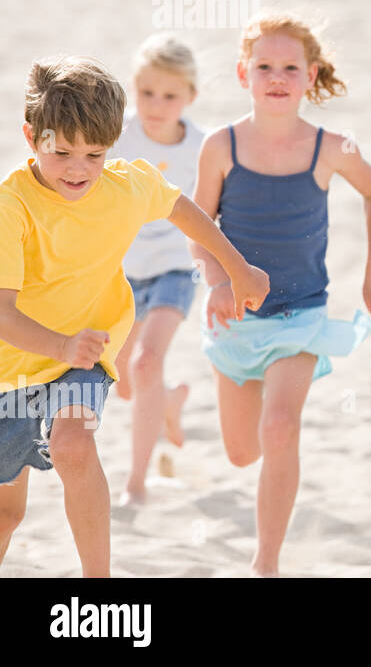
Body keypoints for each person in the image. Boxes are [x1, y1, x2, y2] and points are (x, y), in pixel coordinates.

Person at [0, 56, 268, 576]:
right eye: (62, 153)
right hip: (12, 364)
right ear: (32, 137)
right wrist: (56, 344)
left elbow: (179, 207)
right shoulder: (12, 208)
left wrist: (237, 269)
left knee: (74, 444)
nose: (79, 169)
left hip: (85, 352)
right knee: (7, 513)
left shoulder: (125, 185)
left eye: (94, 154)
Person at [189, 14, 371, 576]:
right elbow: (198, 227)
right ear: (242, 75)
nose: (276, 77)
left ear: (311, 76)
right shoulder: (220, 146)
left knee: (279, 427)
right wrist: (215, 282)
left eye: (289, 68)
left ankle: (266, 562)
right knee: (241, 450)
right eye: (263, 67)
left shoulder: (330, 147)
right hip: (234, 318)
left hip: (302, 314)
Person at [113, 34, 206, 505]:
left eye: (170, 95)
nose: (157, 104)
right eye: (147, 92)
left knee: (146, 362)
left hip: (174, 271)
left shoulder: (202, 148)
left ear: (190, 97)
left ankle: (136, 483)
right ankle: (168, 401)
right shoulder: (117, 136)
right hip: (122, 274)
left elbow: (215, 214)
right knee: (126, 382)